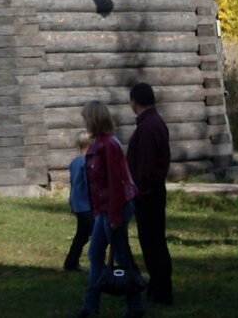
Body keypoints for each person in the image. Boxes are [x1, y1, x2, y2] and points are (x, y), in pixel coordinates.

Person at [73, 100, 145, 318]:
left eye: (86, 118)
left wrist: (113, 216)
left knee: (122, 258)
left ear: (94, 119)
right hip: (104, 210)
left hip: (116, 208)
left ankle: (134, 305)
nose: (84, 122)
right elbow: (96, 184)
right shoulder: (97, 144)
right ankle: (91, 305)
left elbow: (116, 182)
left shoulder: (109, 145)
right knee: (96, 253)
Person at [126, 82, 173, 306]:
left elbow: (145, 166)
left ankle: (160, 290)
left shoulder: (147, 127)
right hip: (154, 190)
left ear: (135, 101)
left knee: (152, 242)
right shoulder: (156, 122)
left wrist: (140, 191)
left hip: (148, 193)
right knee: (156, 241)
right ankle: (159, 287)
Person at [64, 131, 94, 272]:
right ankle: (96, 262)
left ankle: (71, 262)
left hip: (79, 204)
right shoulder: (87, 162)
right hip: (87, 205)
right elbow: (89, 185)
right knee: (91, 234)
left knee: (82, 235)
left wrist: (72, 202)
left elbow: (73, 184)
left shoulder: (74, 162)